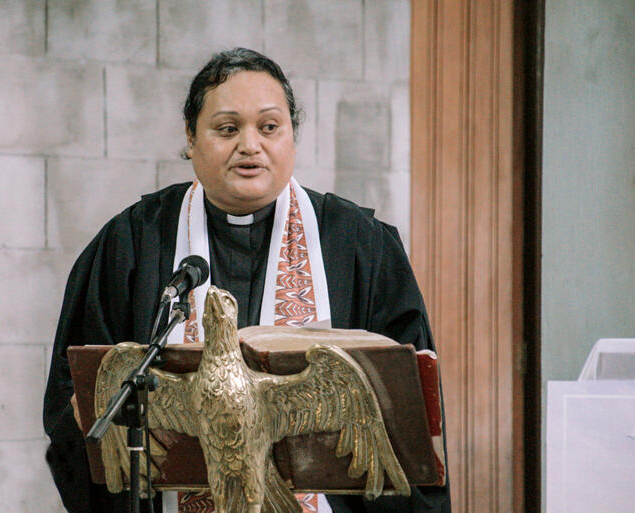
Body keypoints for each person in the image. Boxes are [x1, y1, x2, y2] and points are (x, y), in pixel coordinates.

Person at [44, 47, 450, 513]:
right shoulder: (133, 242)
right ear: (191, 139)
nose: (250, 145)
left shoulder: (360, 245)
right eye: (227, 128)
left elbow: (409, 414)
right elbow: (74, 407)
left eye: (269, 127)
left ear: (292, 137)